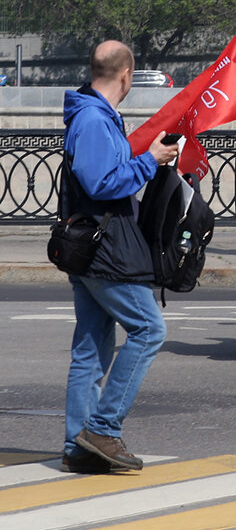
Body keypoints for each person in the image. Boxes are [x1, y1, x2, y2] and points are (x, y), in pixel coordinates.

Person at [61, 41, 179, 474]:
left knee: (91, 351)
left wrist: (148, 157)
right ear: (126, 74)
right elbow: (101, 183)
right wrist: (149, 161)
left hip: (92, 247)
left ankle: (79, 448)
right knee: (149, 330)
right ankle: (102, 429)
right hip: (104, 250)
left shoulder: (93, 114)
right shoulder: (93, 119)